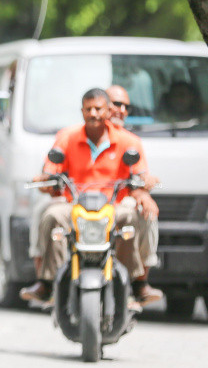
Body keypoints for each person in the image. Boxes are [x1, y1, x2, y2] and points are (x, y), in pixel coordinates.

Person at [19, 88, 163, 306]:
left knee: (133, 218)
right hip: (74, 205)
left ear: (107, 111)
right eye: (89, 109)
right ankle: (48, 282)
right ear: (82, 111)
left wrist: (145, 189)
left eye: (98, 109)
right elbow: (50, 174)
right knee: (51, 215)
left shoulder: (128, 141)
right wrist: (45, 181)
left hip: (113, 206)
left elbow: (139, 177)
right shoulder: (66, 137)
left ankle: (134, 282)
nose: (94, 114)